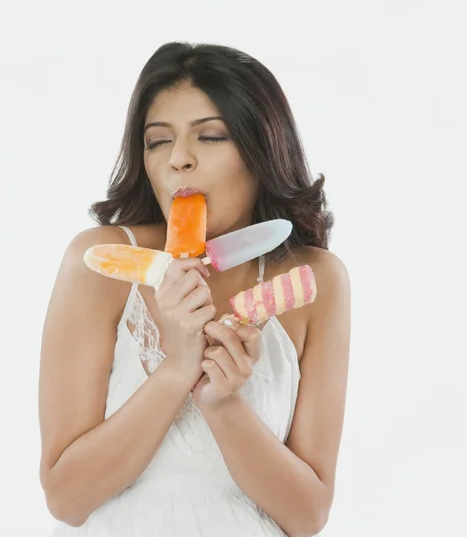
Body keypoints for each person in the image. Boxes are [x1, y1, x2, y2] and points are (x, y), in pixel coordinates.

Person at [38, 41, 351, 537]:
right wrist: (177, 369)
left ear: (261, 148)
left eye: (210, 137)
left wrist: (223, 402)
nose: (178, 160)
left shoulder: (317, 280)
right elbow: (67, 498)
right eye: (158, 141)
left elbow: (307, 515)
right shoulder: (97, 261)